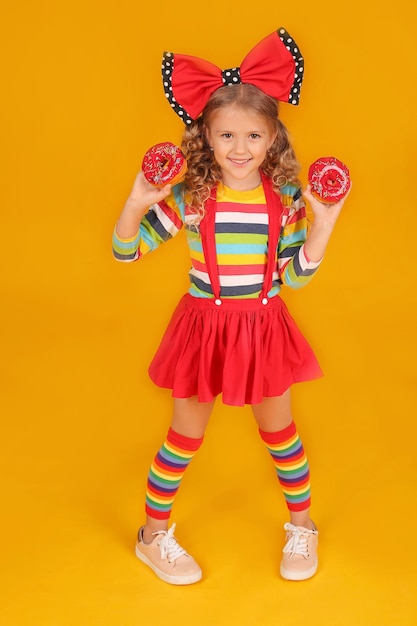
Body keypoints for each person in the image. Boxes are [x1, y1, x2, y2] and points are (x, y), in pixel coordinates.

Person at [112, 28, 350, 585]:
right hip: (204, 327)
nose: (239, 150)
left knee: (281, 434)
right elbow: (127, 251)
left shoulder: (287, 198)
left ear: (272, 140)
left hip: (264, 326)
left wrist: (325, 225)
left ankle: (302, 526)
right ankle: (152, 535)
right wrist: (134, 202)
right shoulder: (191, 195)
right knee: (183, 437)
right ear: (206, 138)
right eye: (225, 136)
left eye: (252, 136)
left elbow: (295, 275)